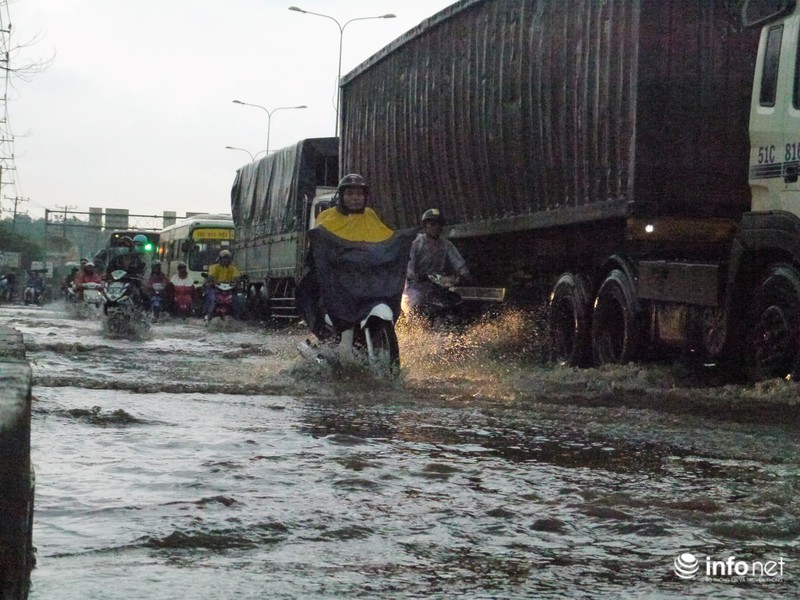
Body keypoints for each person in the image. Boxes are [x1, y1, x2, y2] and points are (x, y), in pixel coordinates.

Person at [299, 173, 414, 362]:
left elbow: (384, 240)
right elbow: (321, 244)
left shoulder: (370, 216)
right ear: (341, 196)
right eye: (350, 194)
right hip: (340, 282)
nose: (355, 198)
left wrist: (401, 244)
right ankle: (339, 344)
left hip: (366, 281)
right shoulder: (327, 216)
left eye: (359, 194)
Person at [404, 208, 470, 319]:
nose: (435, 227)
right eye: (432, 224)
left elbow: (458, 262)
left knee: (457, 301)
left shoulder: (446, 244)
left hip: (439, 284)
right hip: (417, 285)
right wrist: (411, 274)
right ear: (425, 226)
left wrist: (464, 273)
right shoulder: (416, 242)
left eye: (438, 224)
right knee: (415, 303)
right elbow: (409, 262)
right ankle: (414, 330)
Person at [203, 249, 240, 322]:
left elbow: (236, 278)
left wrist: (236, 283)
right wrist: (210, 282)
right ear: (220, 259)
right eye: (224, 258)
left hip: (229, 290)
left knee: (237, 301)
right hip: (215, 289)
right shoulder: (214, 267)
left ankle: (238, 318)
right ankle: (207, 315)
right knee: (211, 299)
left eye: (227, 258)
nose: (225, 260)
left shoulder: (233, 268)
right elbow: (211, 277)